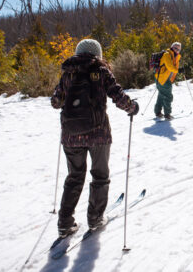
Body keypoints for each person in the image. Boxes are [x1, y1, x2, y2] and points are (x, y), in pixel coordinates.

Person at [51, 39, 139, 237]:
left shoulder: (68, 73)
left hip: (71, 135)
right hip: (98, 133)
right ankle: (95, 218)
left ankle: (65, 222)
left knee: (74, 177)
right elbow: (117, 94)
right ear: (97, 54)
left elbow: (56, 102)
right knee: (100, 176)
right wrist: (131, 107)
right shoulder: (101, 71)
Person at [154, 42, 182, 120]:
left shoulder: (174, 56)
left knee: (161, 95)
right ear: (172, 47)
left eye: (179, 49)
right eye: (176, 48)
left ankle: (158, 112)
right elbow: (170, 67)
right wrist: (178, 70)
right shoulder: (167, 55)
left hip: (162, 78)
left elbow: (172, 67)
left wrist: (177, 70)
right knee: (168, 96)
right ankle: (167, 114)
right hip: (163, 79)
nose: (177, 50)